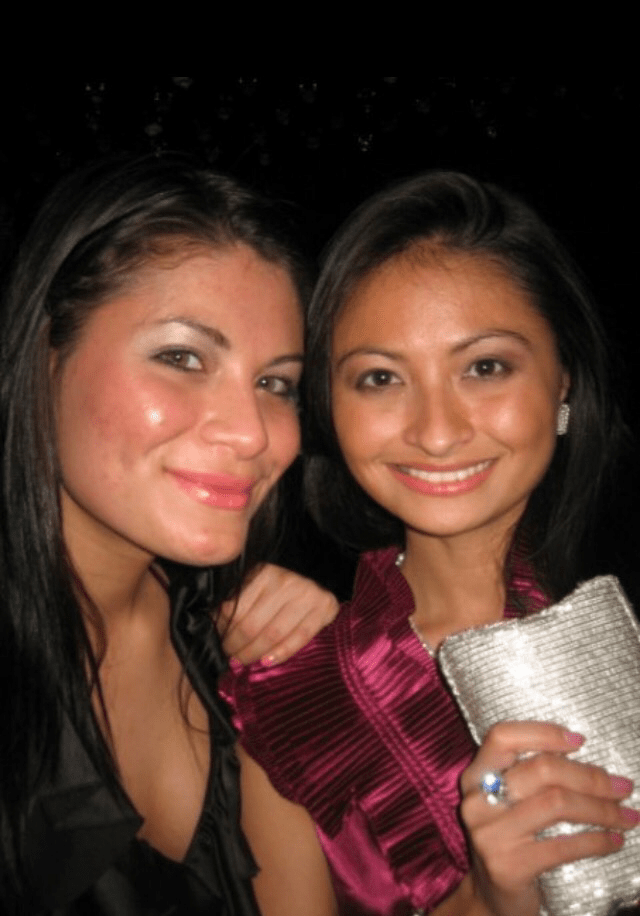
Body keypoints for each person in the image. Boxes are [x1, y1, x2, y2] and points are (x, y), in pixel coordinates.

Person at [223, 171, 637, 916]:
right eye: (380, 378)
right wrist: (487, 898)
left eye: (485, 367)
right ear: (329, 407)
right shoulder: (291, 698)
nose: (437, 432)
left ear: (564, 380)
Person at [0, 153, 337, 915]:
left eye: (275, 383)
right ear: (46, 358)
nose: (253, 434)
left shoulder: (235, 649)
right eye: (182, 357)